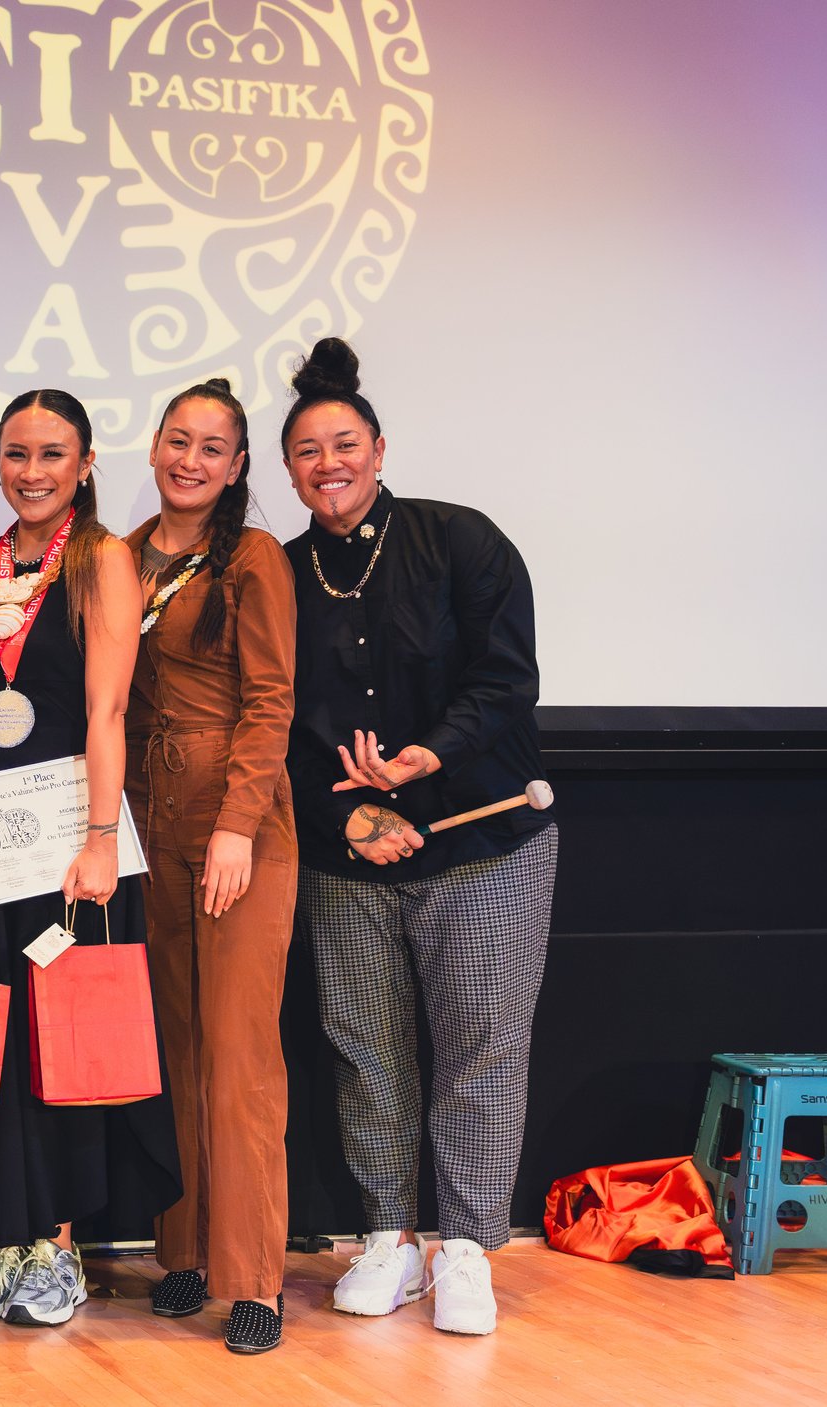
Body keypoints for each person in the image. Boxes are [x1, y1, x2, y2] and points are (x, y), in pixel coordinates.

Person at [278, 337, 555, 1337]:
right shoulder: (279, 574)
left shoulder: (461, 542)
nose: (327, 464)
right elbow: (271, 724)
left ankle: (469, 1245)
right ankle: (389, 1237)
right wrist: (349, 811)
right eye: (306, 452)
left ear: (379, 447)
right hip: (344, 851)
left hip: (483, 842)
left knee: (479, 1043)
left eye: (343, 444)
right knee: (366, 1052)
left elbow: (505, 686)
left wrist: (421, 762)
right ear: (288, 470)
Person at [0, 389, 179, 1331]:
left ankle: (57, 1243)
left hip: (70, 840)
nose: (32, 470)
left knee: (64, 1042)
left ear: (87, 463)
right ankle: (2, 1235)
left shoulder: (104, 563)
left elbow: (106, 712)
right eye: (16, 452)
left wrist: (101, 841)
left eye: (52, 453)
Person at [121, 378, 300, 1353]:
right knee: (177, 1046)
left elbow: (269, 701)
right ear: (154, 447)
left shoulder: (254, 557)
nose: (189, 459)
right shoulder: (123, 556)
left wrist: (236, 825)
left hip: (240, 825)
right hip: (150, 817)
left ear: (236, 467)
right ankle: (184, 1251)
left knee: (238, 1054)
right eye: (175, 440)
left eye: (211, 448)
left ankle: (255, 1279)